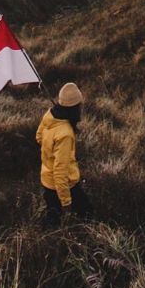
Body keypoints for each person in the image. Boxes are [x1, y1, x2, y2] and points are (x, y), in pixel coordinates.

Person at [35, 82, 92, 226]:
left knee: (53, 219)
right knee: (87, 215)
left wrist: (50, 149)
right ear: (74, 108)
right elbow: (60, 172)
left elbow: (39, 137)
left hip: (47, 182)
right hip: (64, 185)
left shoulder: (50, 115)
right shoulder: (65, 134)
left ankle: (45, 242)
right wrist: (66, 202)